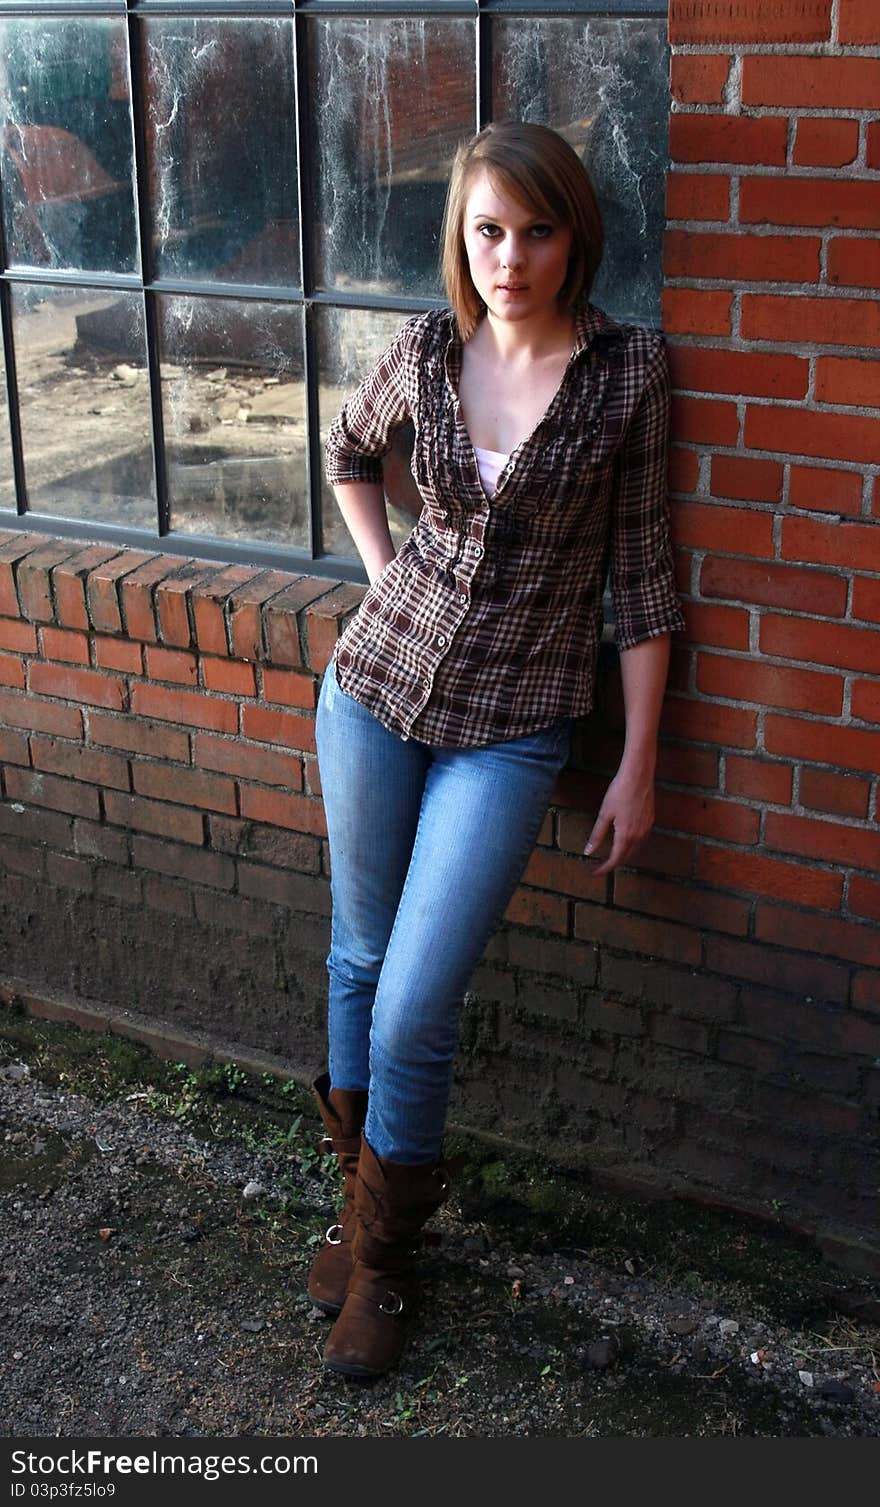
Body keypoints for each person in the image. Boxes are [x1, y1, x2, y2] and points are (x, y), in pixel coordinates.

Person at [310, 120, 685, 1380]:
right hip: (371, 692)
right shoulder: (425, 348)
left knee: (415, 1000)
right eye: (485, 231)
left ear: (574, 234)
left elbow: (639, 576)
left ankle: (384, 1266)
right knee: (358, 955)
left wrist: (636, 760)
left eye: (534, 230)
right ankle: (357, 1224)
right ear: (458, 240)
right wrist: (380, 578)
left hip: (515, 727)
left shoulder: (628, 374)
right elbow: (348, 453)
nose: (508, 256)